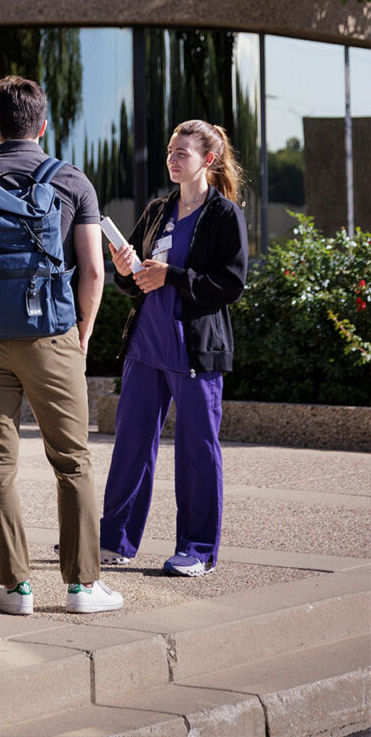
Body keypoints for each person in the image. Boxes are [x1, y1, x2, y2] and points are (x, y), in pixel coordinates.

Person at [0, 75, 122, 615]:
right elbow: (93, 272)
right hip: (52, 337)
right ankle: (83, 587)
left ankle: (15, 589)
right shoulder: (72, 181)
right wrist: (79, 336)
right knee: (73, 462)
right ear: (42, 125)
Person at [100, 119, 249, 577]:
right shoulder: (157, 210)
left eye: (181, 152)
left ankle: (197, 550)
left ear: (207, 160)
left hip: (194, 352)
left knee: (197, 449)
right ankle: (114, 541)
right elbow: (135, 284)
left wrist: (173, 276)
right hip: (146, 345)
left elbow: (231, 283)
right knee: (130, 445)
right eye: (169, 150)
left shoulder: (224, 215)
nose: (171, 158)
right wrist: (124, 267)